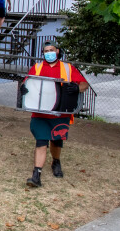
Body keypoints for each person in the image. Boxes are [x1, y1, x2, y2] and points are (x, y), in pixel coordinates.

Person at [22, 42, 89, 188]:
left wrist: (76, 88)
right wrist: (23, 88)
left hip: (60, 113)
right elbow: (26, 83)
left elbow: (84, 85)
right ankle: (36, 175)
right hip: (40, 113)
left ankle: (56, 161)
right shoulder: (37, 67)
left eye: (51, 50)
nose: (49, 53)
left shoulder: (68, 68)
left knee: (56, 141)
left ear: (57, 51)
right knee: (41, 141)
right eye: (46, 51)